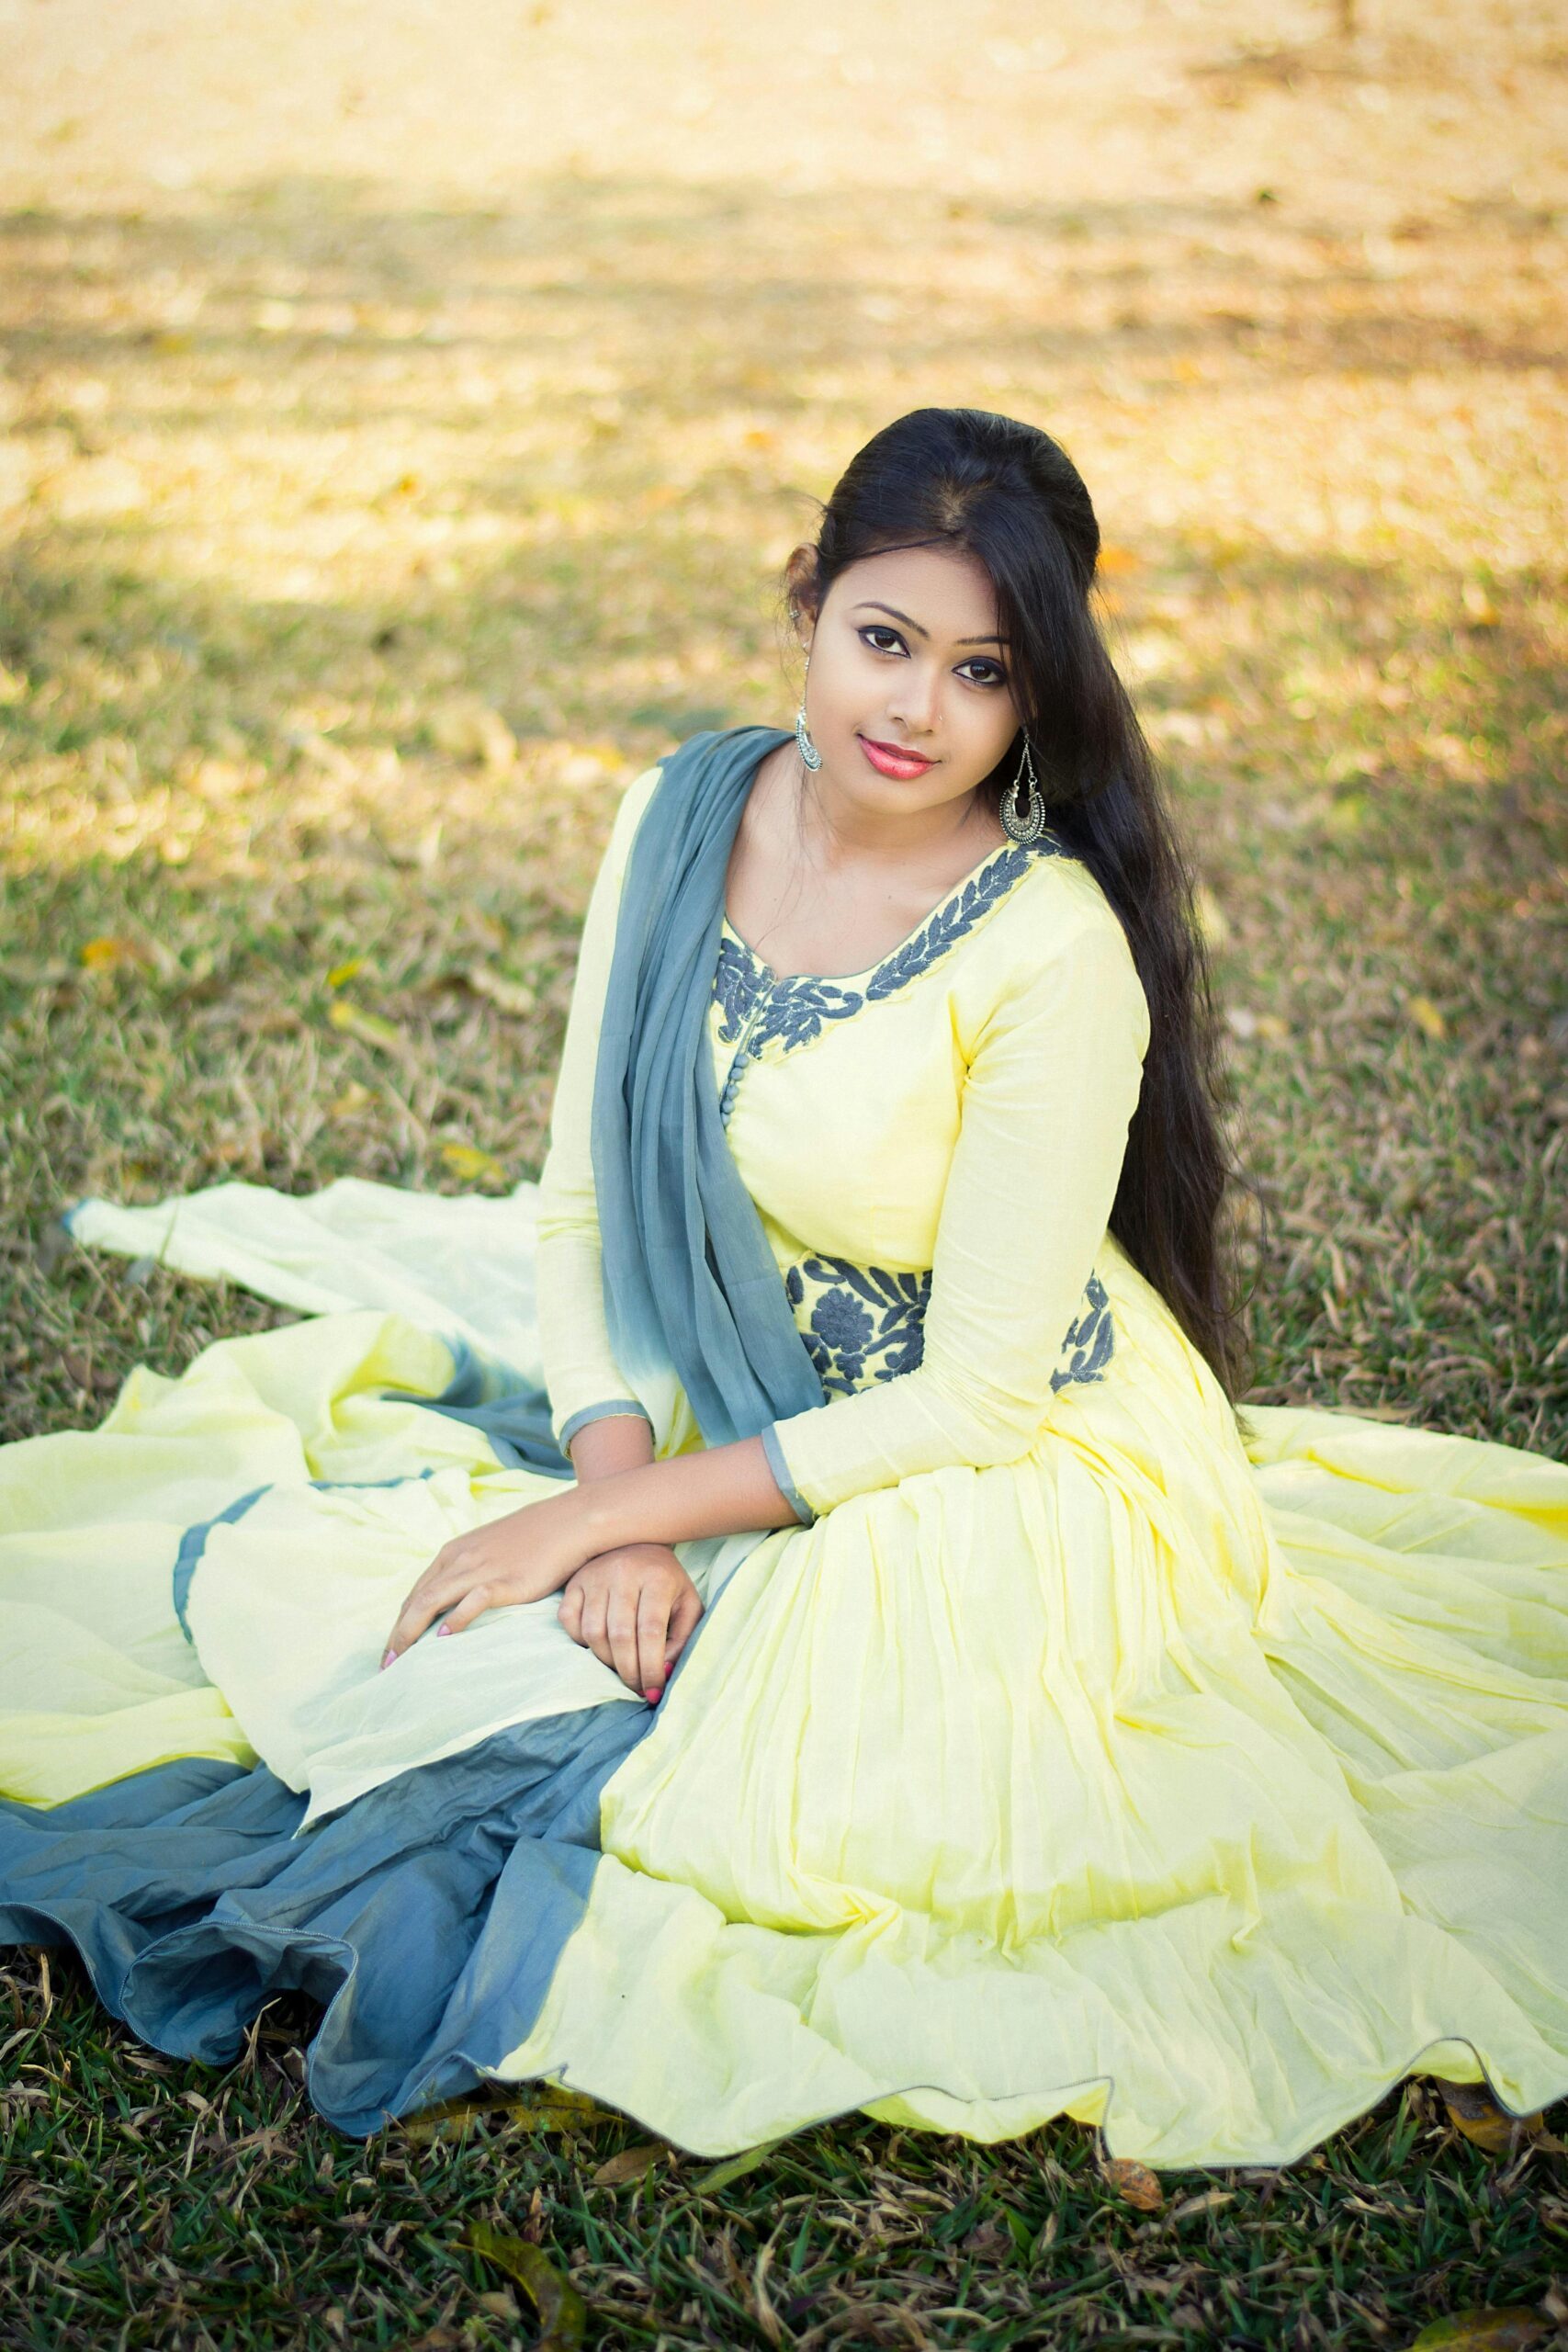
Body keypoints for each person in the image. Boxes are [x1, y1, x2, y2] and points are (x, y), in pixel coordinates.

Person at [2, 408, 1565, 2174]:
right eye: (883, 641)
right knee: (398, 1643)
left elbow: (979, 1396)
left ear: (1039, 695)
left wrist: (608, 1519)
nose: (916, 710)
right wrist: (611, 1510)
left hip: (997, 1457)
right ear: (806, 606)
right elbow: (582, 1208)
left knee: (809, 1805)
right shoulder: (679, 817)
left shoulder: (1046, 947)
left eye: (982, 671)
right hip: (724, 1389)